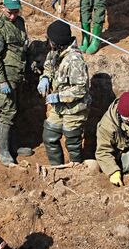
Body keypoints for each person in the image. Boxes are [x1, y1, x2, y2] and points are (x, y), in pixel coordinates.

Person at [37, 20, 91, 165]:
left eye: (50, 40)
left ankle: (76, 170)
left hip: (74, 109)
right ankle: (57, 168)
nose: (48, 43)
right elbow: (49, 66)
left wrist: (58, 96)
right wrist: (45, 77)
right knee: (49, 136)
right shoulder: (56, 52)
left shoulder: (75, 60)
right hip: (59, 107)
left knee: (72, 143)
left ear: (56, 41)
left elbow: (81, 88)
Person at [0, 0, 29, 166]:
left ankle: (13, 145)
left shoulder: (19, 22)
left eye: (16, 12)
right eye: (9, 12)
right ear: (3, 8)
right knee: (7, 111)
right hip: (5, 76)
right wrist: (2, 80)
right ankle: (3, 150)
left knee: (15, 109)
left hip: (18, 73)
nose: (12, 16)